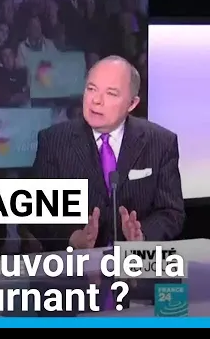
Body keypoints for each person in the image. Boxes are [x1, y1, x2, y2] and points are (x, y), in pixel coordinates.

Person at [31, 55, 185, 251]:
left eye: (111, 93)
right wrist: (73, 238)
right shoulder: (53, 141)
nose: (96, 100)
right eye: (91, 89)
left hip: (135, 264)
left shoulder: (160, 142)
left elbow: (171, 212)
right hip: (75, 266)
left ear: (132, 103)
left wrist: (142, 236)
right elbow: (38, 213)